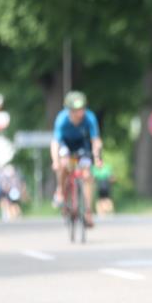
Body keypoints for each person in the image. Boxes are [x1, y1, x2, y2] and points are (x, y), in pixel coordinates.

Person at [51, 91, 103, 228]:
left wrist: (97, 158)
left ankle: (87, 212)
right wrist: (55, 161)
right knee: (64, 164)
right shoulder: (62, 119)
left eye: (82, 109)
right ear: (69, 110)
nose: (80, 113)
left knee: (87, 175)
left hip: (82, 146)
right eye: (76, 110)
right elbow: (55, 142)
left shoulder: (90, 118)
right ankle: (61, 191)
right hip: (65, 145)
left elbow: (95, 140)